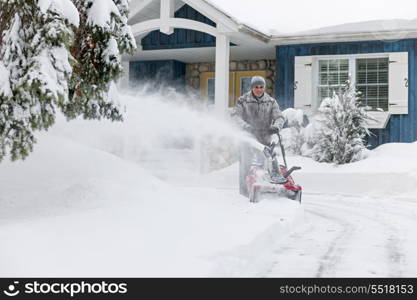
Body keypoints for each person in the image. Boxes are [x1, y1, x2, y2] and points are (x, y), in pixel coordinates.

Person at [233, 76, 286, 196]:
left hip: (264, 140)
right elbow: (236, 116)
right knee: (245, 166)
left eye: (261, 87)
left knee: (264, 166)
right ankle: (244, 193)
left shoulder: (271, 102)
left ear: (264, 88)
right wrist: (246, 127)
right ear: (252, 87)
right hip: (248, 138)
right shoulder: (243, 100)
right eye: (256, 87)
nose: (259, 89)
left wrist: (276, 126)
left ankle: (262, 191)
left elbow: (279, 117)